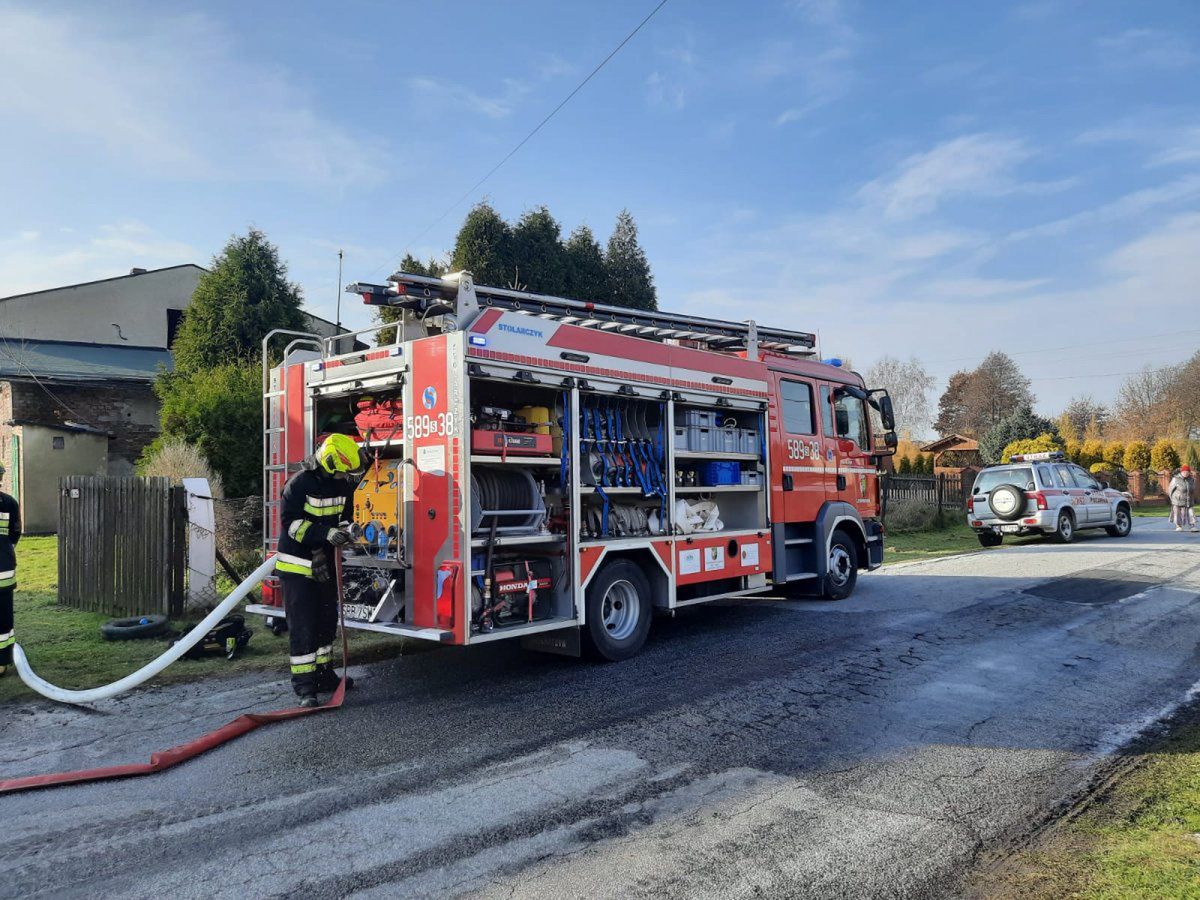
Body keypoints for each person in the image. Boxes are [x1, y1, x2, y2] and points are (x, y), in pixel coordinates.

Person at [276, 433, 361, 707]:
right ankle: (305, 688)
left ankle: (325, 676)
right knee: (303, 628)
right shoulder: (298, 484)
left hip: (325, 567)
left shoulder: (342, 485)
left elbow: (346, 517)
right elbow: (291, 525)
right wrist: (325, 534)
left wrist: (348, 531)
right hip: (297, 567)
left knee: (326, 623)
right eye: (341, 472)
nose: (344, 477)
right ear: (328, 464)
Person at [0, 463, 20, 678]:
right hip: (4, 571)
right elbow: (15, 533)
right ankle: (4, 659)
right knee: (4, 617)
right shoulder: (9, 502)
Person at [1168, 464, 1197, 533]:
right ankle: (1178, 526)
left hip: (1188, 500)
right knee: (1177, 513)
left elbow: (1193, 488)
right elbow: (1170, 489)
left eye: (1187, 472)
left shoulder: (1191, 479)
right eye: (1184, 472)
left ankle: (1193, 526)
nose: (1186, 473)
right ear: (1181, 472)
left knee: (1191, 512)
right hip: (1177, 500)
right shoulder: (1175, 479)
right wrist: (1172, 499)